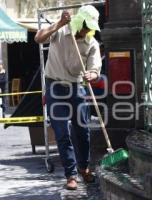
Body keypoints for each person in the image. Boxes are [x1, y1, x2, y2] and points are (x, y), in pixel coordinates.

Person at [34, 5, 102, 190]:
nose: (87, 30)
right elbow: (38, 38)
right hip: (54, 87)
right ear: (79, 21)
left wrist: (92, 75)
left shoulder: (92, 43)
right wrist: (58, 24)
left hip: (77, 88)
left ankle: (83, 167)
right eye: (85, 26)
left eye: (90, 27)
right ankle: (71, 174)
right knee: (62, 133)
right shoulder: (61, 30)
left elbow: (95, 69)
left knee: (83, 131)